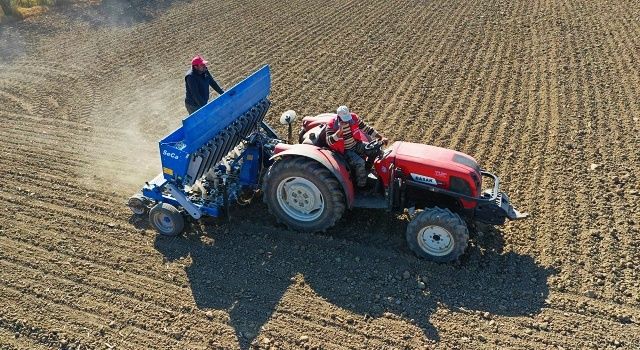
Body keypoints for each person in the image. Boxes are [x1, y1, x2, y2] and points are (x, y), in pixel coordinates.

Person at [325, 105, 387, 188]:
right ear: (339, 117)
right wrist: (339, 131)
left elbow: (366, 128)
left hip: (356, 144)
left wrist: (380, 137)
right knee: (360, 162)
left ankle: (367, 169)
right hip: (344, 151)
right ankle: (361, 186)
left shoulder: (354, 118)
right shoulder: (332, 125)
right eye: (345, 118)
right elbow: (329, 141)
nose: (347, 120)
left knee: (374, 150)